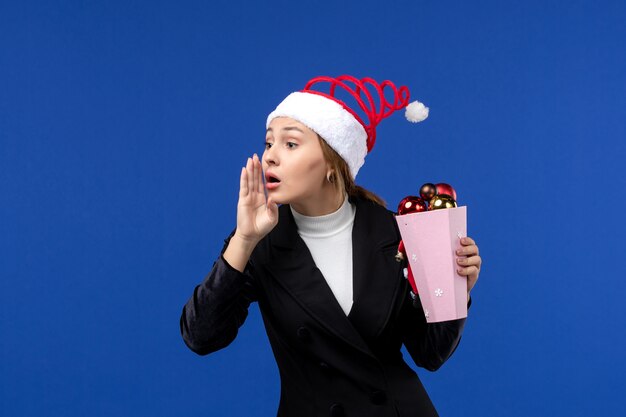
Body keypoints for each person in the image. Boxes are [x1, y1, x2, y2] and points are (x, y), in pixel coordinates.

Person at [180, 75, 482, 417]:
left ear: (331, 163)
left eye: (290, 144)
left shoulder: (396, 230)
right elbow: (201, 337)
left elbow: (431, 354)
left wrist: (458, 290)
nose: (270, 158)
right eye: (268, 144)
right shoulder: (259, 242)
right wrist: (244, 240)